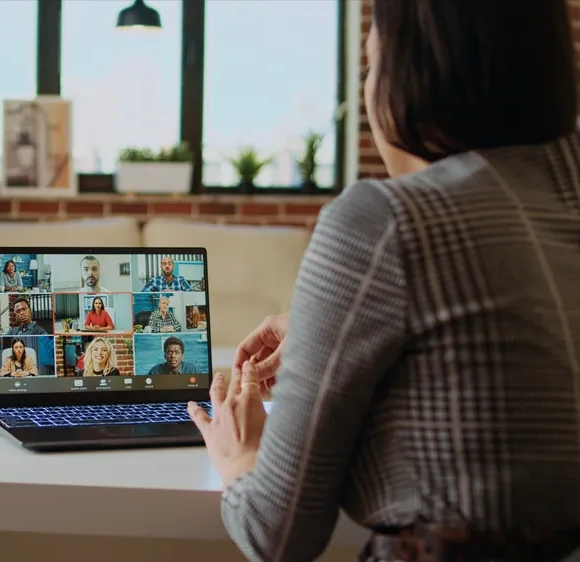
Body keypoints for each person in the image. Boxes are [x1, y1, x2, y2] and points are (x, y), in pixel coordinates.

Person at [186, 1, 580, 561]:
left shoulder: (384, 218)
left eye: (371, 66)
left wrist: (240, 458)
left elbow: (276, 531)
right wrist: (325, 329)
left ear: (411, 74)